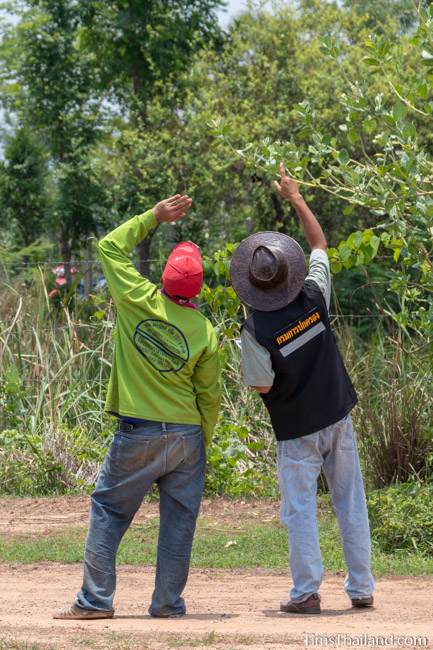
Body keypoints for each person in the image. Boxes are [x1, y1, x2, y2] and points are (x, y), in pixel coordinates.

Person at [55, 194, 221, 620]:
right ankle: (167, 604)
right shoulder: (205, 330)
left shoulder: (136, 299)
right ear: (197, 288)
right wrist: (202, 442)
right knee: (179, 523)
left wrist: (154, 216)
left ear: (164, 279)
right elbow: (209, 396)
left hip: (138, 432)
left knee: (109, 510)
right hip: (186, 435)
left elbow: (109, 245)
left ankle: (95, 601)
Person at [230, 164, 374, 615]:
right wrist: (295, 197)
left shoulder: (255, 327)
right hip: (337, 415)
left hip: (296, 429)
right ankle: (362, 588)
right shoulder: (314, 294)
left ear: (253, 283)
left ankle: (306, 593)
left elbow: (260, 383)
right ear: (288, 272)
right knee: (350, 500)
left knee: (300, 510)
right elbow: (319, 243)